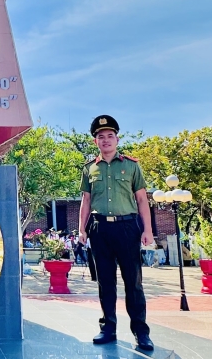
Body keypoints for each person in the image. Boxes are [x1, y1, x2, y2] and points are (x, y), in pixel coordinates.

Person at [78, 115, 154, 352]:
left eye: (110, 136)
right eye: (101, 137)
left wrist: (148, 230)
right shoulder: (90, 168)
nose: (106, 140)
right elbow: (86, 200)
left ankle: (141, 333)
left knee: (133, 282)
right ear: (95, 142)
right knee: (105, 282)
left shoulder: (131, 166)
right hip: (100, 229)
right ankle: (108, 328)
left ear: (117, 139)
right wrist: (82, 229)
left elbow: (142, 199)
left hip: (127, 227)